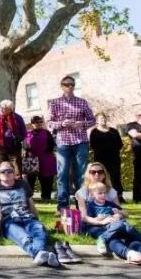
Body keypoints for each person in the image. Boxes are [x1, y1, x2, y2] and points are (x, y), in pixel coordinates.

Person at [0, 161, 60, 268]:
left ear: (14, 173)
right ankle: (42, 253)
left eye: (9, 171)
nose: (6, 173)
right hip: (8, 221)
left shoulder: (22, 184)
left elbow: (31, 204)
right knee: (23, 236)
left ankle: (40, 254)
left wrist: (37, 219)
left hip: (27, 217)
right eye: (3, 171)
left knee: (39, 229)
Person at [47, 75, 95, 212]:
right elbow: (49, 123)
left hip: (81, 141)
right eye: (67, 84)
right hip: (63, 141)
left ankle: (82, 205)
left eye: (72, 84)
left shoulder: (82, 102)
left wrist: (82, 123)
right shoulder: (55, 103)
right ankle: (63, 206)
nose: (70, 87)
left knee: (81, 174)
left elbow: (92, 120)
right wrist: (62, 123)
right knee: (62, 174)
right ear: (62, 86)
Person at [83, 182, 141, 264]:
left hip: (117, 225)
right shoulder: (91, 206)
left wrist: (118, 214)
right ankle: (131, 254)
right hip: (106, 228)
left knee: (129, 230)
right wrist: (100, 220)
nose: (103, 195)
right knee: (114, 239)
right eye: (100, 193)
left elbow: (124, 213)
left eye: (104, 193)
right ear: (92, 195)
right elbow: (88, 219)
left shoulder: (110, 204)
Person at [89, 112, 124, 203]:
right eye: (101, 118)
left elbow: (120, 144)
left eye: (104, 118)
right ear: (97, 121)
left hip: (114, 158)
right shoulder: (94, 132)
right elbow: (92, 145)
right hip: (100, 158)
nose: (103, 120)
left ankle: (118, 196)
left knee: (115, 177)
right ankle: (98, 196)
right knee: (100, 177)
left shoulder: (114, 131)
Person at [24, 116, 57, 201]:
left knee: (46, 179)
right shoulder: (27, 134)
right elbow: (25, 146)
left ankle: (46, 197)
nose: (39, 124)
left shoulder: (46, 133)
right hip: (31, 160)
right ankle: (29, 199)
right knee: (30, 179)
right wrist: (26, 148)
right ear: (32, 124)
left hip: (46, 160)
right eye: (36, 122)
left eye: (40, 122)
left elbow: (52, 144)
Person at [0, 100, 26, 177]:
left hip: (14, 147)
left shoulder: (17, 117)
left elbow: (24, 132)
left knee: (17, 170)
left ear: (10, 109)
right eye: (1, 107)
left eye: (5, 108)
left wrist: (18, 138)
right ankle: (3, 187)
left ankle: (17, 187)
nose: (2, 110)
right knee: (1, 169)